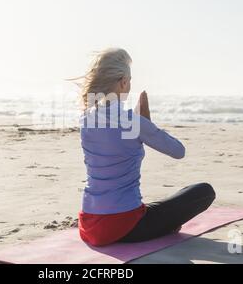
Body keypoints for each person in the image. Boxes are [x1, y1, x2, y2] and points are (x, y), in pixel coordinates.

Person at [75, 48, 216, 247]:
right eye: (130, 80)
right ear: (123, 81)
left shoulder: (86, 118)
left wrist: (141, 123)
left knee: (153, 206)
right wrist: (147, 124)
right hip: (124, 226)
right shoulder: (134, 123)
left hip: (89, 225)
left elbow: (114, 133)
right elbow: (178, 151)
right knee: (203, 191)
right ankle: (164, 227)